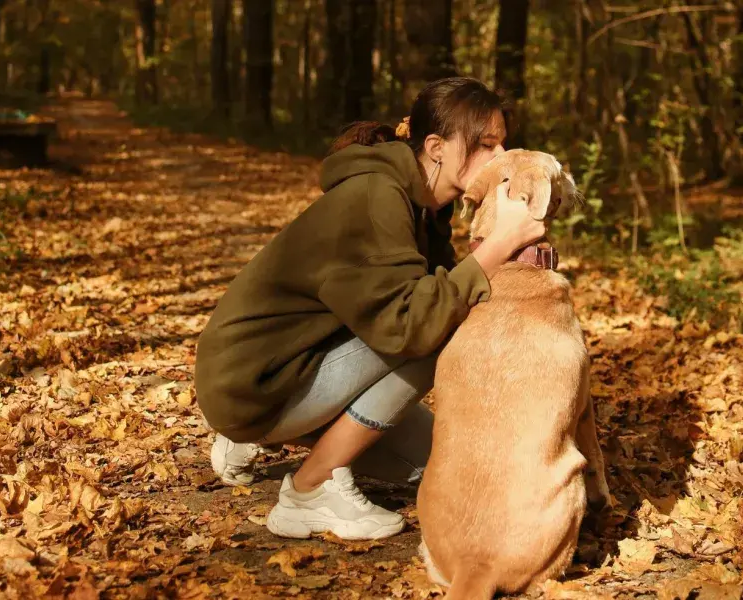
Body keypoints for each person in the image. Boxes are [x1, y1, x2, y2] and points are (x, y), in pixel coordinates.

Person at [194, 77, 545, 540]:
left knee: (439, 465)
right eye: (485, 145)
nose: (501, 159)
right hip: (254, 382)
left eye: (504, 144)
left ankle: (262, 436)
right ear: (437, 147)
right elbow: (413, 327)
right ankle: (309, 487)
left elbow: (434, 294)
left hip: (293, 363)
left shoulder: (424, 205)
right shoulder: (376, 197)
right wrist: (497, 248)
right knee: (441, 328)